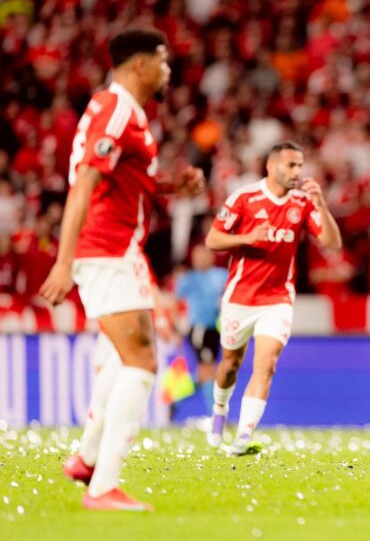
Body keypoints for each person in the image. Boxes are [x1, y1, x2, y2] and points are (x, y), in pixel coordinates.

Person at [40, 28, 204, 511]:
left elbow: (129, 181)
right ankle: (103, 486)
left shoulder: (121, 110)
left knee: (120, 354)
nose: (168, 69)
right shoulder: (117, 111)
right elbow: (84, 183)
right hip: (107, 249)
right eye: (163, 60)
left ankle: (88, 459)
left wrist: (174, 187)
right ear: (139, 65)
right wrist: (65, 260)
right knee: (142, 362)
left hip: (115, 248)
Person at [205, 141, 341, 456]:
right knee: (229, 363)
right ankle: (219, 410)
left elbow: (332, 244)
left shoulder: (303, 204)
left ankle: (243, 436)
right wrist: (245, 238)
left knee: (266, 365)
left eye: (300, 165)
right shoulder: (244, 198)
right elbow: (212, 239)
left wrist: (321, 205)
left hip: (278, 298)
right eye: (291, 165)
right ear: (271, 166)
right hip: (240, 296)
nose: (297, 172)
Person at [175, 244, 229, 414]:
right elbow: (174, 302)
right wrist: (177, 327)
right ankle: (215, 415)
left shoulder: (222, 276)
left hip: (217, 329)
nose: (200, 260)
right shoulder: (188, 279)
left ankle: (176, 397)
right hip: (199, 329)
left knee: (206, 372)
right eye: (197, 257)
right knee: (208, 370)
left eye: (203, 256)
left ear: (211, 257)